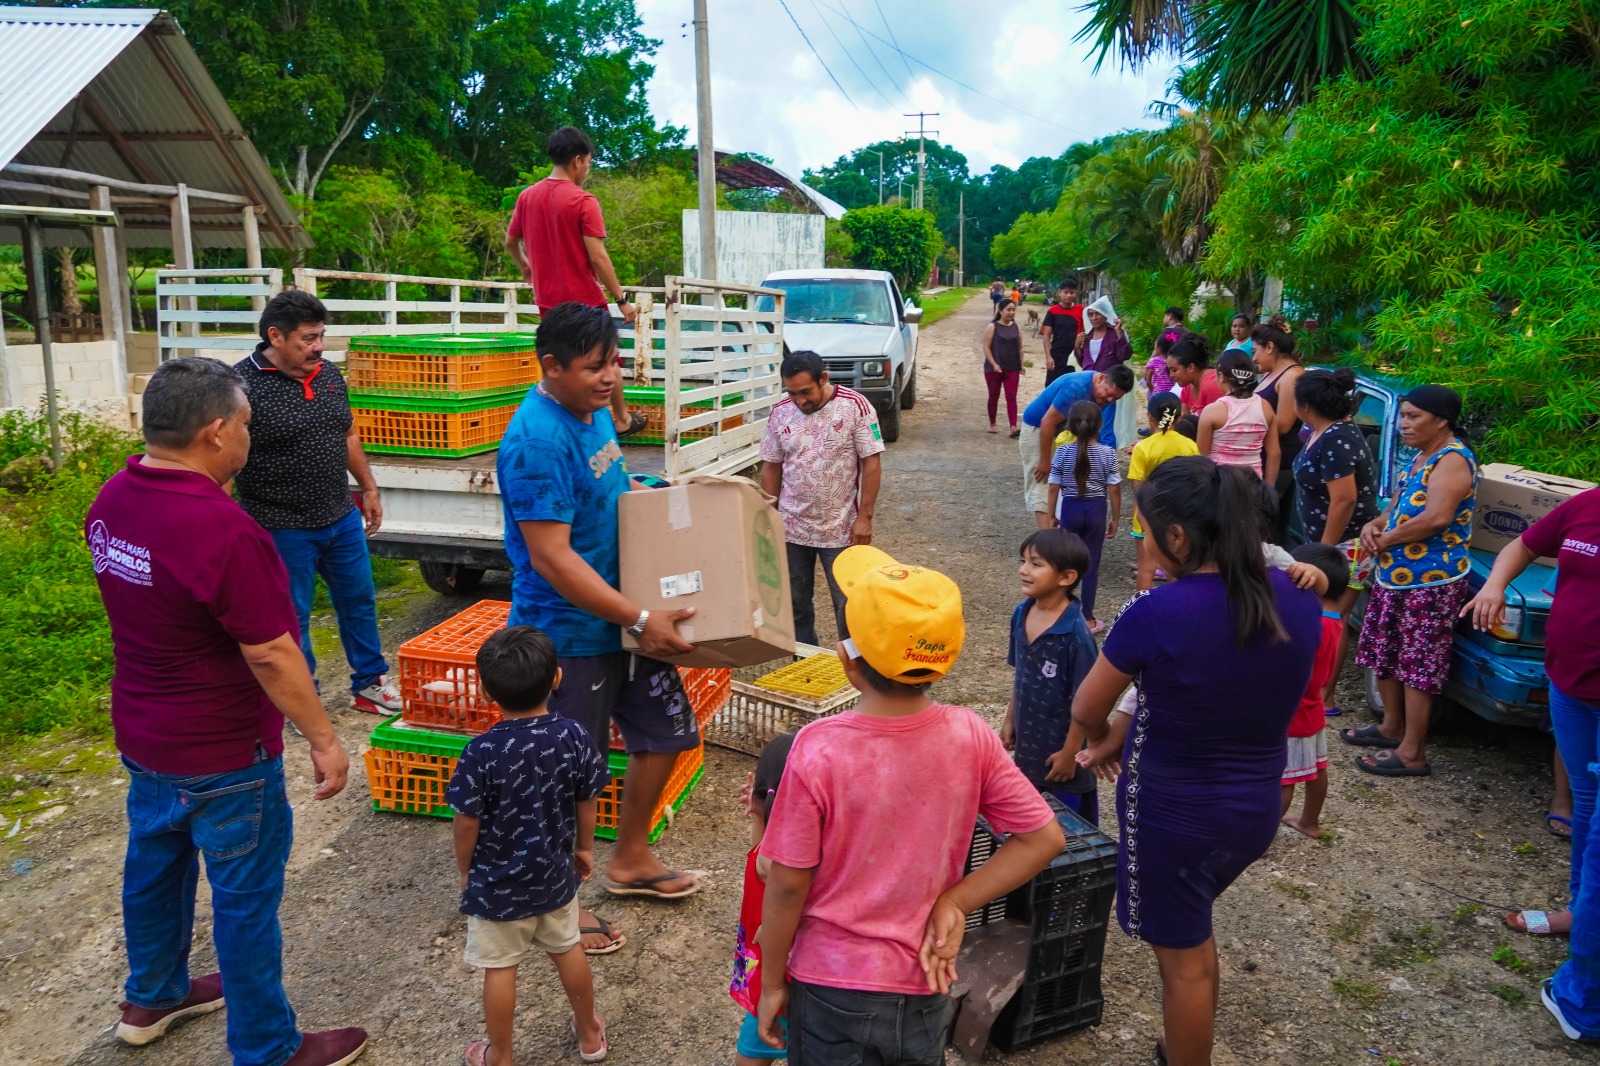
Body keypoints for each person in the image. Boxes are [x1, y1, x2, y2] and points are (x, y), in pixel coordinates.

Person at [88, 357, 364, 1066]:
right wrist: (325, 738)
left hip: (146, 738)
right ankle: (268, 1046)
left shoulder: (112, 501)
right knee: (244, 899)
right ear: (214, 434)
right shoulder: (225, 530)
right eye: (244, 424)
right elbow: (272, 653)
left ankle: (152, 994)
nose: (248, 436)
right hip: (224, 751)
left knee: (154, 868)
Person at [755, 546, 1066, 1063]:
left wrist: (769, 984)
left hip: (830, 984)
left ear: (846, 660)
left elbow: (788, 882)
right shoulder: (971, 735)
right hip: (925, 980)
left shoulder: (818, 747)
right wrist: (957, 901)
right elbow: (1044, 838)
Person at [1071, 457, 1321, 1066]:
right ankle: (1181, 1042)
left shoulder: (1156, 612)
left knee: (1181, 966)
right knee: (1193, 927)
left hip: (1172, 818)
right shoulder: (1300, 598)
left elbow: (1086, 704)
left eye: (1146, 531)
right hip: (1254, 810)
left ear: (1178, 538)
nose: (1144, 542)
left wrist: (1101, 734)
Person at [497, 302, 703, 957]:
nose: (610, 377)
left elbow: (609, 484)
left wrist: (654, 490)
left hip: (624, 612)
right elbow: (551, 557)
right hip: (573, 634)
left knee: (668, 731)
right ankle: (561, 903)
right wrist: (640, 618)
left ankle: (633, 856)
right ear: (550, 366)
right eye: (594, 367)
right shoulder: (536, 441)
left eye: (614, 360)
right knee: (567, 776)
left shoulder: (590, 414)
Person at [448, 626, 611, 1066]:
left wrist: (466, 871)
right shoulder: (572, 736)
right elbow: (586, 798)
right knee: (567, 947)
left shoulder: (480, 751)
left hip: (496, 886)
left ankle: (500, 1055)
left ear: (485, 691)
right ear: (557, 678)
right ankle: (590, 1035)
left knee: (500, 968)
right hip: (554, 876)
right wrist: (585, 849)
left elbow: (466, 823)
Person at [233, 291, 400, 715]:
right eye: (308, 338)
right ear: (276, 336)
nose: (319, 346)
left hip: (339, 517)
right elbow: (224, 459)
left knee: (360, 600)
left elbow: (347, 434)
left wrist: (369, 488)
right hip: (279, 525)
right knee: (291, 619)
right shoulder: (241, 387)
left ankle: (370, 684)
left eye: (321, 336)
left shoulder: (327, 375)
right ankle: (300, 698)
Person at [1467, 486, 1600, 954]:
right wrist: (1494, 584)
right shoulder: (1588, 504)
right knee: (1586, 803)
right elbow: (1521, 545)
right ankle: (1582, 909)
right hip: (1570, 685)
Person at [1341, 385, 1478, 777]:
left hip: (1431, 582)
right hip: (1394, 574)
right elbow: (1398, 508)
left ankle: (1413, 752)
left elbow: (1436, 517)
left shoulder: (1453, 459)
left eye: (1414, 416)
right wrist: (1373, 525)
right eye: (1403, 415)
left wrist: (1386, 539)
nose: (1404, 423)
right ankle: (1390, 727)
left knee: (1417, 664)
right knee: (1384, 650)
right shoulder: (1422, 458)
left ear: (1442, 420)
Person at [505, 125, 644, 437]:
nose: (587, 170)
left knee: (563, 366)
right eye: (589, 164)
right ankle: (621, 420)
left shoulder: (527, 197)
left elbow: (510, 242)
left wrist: (525, 265)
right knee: (607, 360)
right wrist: (622, 300)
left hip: (549, 303)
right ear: (578, 160)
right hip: (584, 302)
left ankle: (569, 424)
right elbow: (598, 256)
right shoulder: (582, 200)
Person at [759, 349, 885, 645]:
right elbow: (771, 466)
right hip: (791, 527)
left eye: (805, 391)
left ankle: (855, 670)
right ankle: (802, 664)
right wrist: (767, 515)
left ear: (823, 378)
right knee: (795, 603)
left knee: (849, 605)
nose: (800, 400)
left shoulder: (855, 406)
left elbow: (872, 462)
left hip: (841, 530)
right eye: (792, 393)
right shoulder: (780, 412)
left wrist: (864, 518)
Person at [1292, 368, 1380, 713]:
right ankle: (1316, 688)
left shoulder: (1337, 438)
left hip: (1346, 544)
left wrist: (1323, 551)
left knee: (1333, 616)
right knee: (1324, 615)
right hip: (1331, 542)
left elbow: (1343, 499)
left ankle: (1324, 696)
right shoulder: (1322, 431)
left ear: (1306, 405)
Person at [1002, 528, 1100, 822]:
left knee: (1066, 831)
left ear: (1066, 577)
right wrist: (1010, 719)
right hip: (1029, 747)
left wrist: (1071, 753)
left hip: (1061, 753)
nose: (1023, 570)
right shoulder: (1021, 613)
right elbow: (1021, 672)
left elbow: (1087, 702)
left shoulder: (1075, 636)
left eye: (1035, 564)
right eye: (1023, 561)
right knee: (1028, 822)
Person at [730, 732, 797, 1065]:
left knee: (754, 1047)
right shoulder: (792, 861)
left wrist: (759, 813)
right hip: (790, 978)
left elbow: (759, 856)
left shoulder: (767, 856)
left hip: (767, 980)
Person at [1281, 543, 1351, 840]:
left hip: (1293, 709)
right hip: (1313, 707)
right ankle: (1309, 821)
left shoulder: (1313, 623)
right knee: (1316, 768)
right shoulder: (1335, 622)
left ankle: (1259, 836)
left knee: (1281, 779)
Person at [1022, 365, 1135, 528]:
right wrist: (1045, 461)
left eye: (1115, 398)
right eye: (1109, 394)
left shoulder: (1105, 397)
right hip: (1038, 429)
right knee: (1042, 487)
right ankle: (1048, 545)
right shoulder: (1075, 387)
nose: (1110, 401)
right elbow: (1047, 422)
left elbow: (1099, 430)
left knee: (1067, 485)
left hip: (1065, 432)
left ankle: (1061, 537)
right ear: (1101, 378)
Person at [1048, 401, 1122, 631]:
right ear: (1100, 425)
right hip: (1096, 510)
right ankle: (1088, 618)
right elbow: (1115, 489)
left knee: (1064, 563)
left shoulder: (1062, 451)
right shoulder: (1108, 453)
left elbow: (1053, 486)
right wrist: (1116, 518)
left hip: (1070, 507)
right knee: (1091, 564)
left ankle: (1059, 613)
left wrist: (1051, 515)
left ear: (1069, 426)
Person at [1128, 393, 1199, 591]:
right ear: (1179, 418)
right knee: (1175, 568)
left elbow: (1138, 487)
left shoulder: (1143, 447)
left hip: (1146, 515)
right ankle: (1174, 612)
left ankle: (1144, 613)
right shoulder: (1190, 446)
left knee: (1146, 569)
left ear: (1150, 416)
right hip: (1178, 516)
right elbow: (1195, 483)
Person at [1252, 321, 1307, 546]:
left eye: (1255, 351)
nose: (1253, 358)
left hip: (1281, 459)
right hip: (1265, 453)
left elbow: (1283, 424)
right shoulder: (1273, 373)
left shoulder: (1291, 377)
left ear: (1270, 347)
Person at [1198, 350, 1279, 484]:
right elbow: (1274, 453)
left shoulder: (1212, 412)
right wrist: (1269, 490)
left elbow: (1202, 458)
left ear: (1221, 376)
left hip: (1221, 486)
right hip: (1253, 486)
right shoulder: (1265, 407)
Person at [983, 299, 1024, 436]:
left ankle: (1013, 426)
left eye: (1013, 310)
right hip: (994, 368)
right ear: (1000, 311)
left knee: (1011, 396)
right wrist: (994, 364)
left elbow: (1020, 348)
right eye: (1008, 310)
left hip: (1012, 366)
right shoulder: (992, 326)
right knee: (993, 395)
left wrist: (1021, 364)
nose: (1011, 312)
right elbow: (986, 347)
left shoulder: (1016, 327)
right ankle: (992, 424)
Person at [1039, 280, 1085, 384]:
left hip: (1074, 356)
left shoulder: (1081, 310)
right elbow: (1046, 336)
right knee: (1052, 386)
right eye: (1066, 292)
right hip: (1056, 355)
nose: (1069, 295)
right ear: (1059, 292)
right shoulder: (1052, 311)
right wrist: (1048, 357)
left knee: (1072, 388)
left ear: (1075, 293)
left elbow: (1085, 332)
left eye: (1072, 292)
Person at [1167, 334, 1224, 416]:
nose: (1171, 375)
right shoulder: (1188, 388)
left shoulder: (1212, 386)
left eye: (1174, 370)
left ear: (1191, 367)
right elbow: (1184, 422)